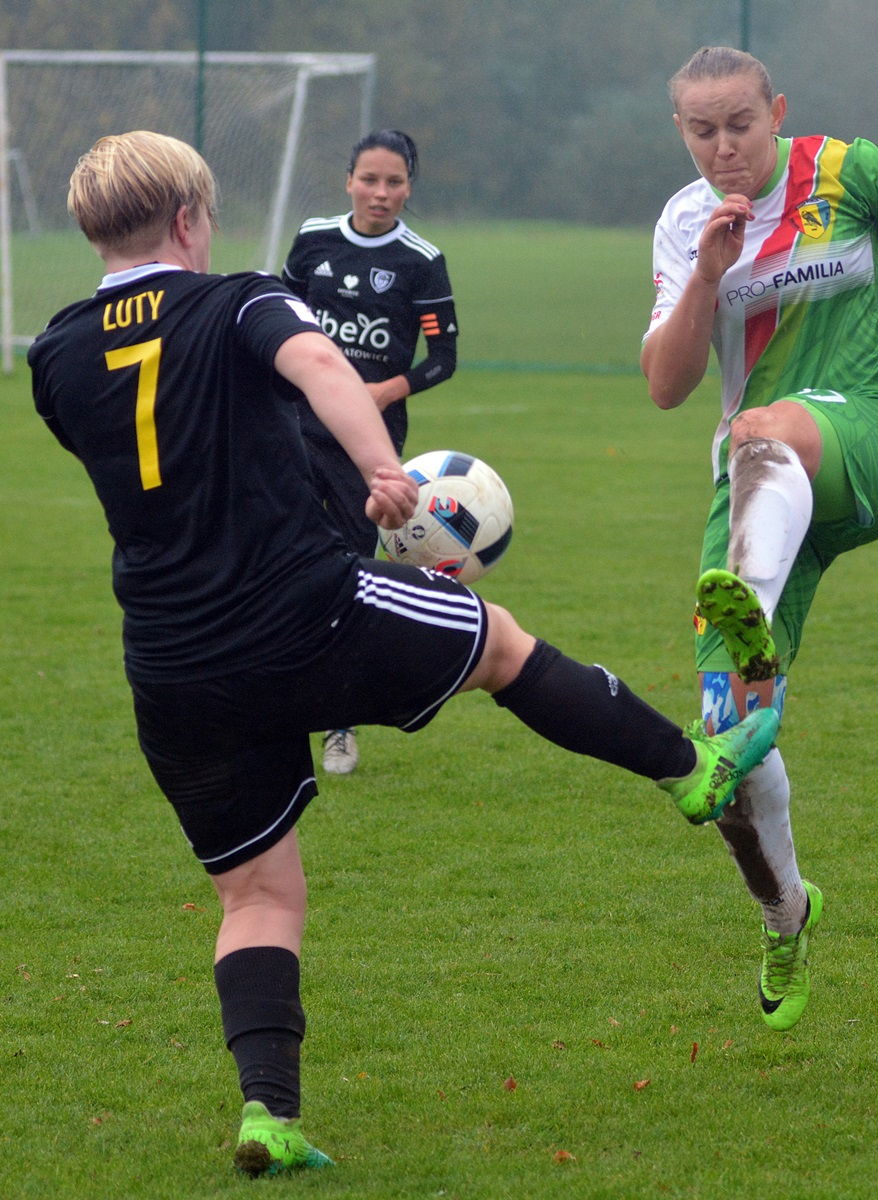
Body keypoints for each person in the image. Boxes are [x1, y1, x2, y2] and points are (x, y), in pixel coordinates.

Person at [29, 131, 780, 1177]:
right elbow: (317, 361)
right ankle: (693, 773)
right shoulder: (239, 299)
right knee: (502, 647)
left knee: (257, 897)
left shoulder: (55, 352)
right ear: (191, 219)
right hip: (299, 609)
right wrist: (384, 472)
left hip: (169, 659)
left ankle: (268, 1116)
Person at [641, 47, 878, 1034]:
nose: (722, 147)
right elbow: (666, 385)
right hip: (753, 492)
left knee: (766, 427)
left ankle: (749, 613)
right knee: (727, 757)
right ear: (679, 131)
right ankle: (784, 914)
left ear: (777, 115)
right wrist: (705, 278)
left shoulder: (840, 171)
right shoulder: (684, 223)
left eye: (738, 125)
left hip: (864, 436)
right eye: (700, 130)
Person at [281, 128, 458, 774]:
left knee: (348, 576)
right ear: (348, 179)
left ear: (408, 187)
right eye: (368, 179)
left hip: (370, 444)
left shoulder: (421, 260)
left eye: (393, 182)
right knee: (285, 559)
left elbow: (443, 359)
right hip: (297, 427)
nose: (380, 193)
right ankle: (275, 700)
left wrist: (383, 391)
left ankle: (338, 720)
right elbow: (279, 320)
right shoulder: (313, 240)